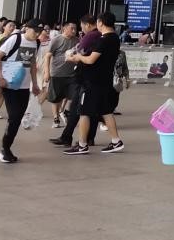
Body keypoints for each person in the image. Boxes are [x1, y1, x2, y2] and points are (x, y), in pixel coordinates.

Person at [62, 11, 124, 155]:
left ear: (101, 22)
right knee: (106, 111)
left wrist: (78, 57)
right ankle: (116, 141)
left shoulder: (104, 40)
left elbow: (90, 60)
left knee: (84, 112)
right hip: (105, 80)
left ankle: (82, 145)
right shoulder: (115, 38)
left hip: (92, 82)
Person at [0, 21, 41, 164]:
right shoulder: (16, 39)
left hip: (24, 86)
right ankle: (5, 148)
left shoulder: (36, 43)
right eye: (35, 31)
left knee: (17, 118)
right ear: (27, 29)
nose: (37, 34)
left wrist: (34, 84)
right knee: (14, 116)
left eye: (39, 32)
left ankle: (7, 147)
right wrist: (0, 76)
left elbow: (32, 64)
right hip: (9, 83)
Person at [51, 15, 97, 147]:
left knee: (82, 109)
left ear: (87, 25)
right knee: (82, 108)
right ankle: (73, 137)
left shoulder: (90, 36)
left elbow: (80, 53)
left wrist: (73, 58)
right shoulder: (100, 37)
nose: (79, 29)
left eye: (81, 26)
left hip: (86, 79)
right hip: (90, 78)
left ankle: (82, 140)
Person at [46, 22, 78, 128]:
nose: (74, 31)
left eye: (75, 28)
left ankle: (64, 111)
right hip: (57, 73)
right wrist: (47, 72)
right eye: (71, 28)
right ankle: (56, 118)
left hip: (72, 74)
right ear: (64, 28)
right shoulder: (57, 40)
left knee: (73, 95)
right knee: (56, 97)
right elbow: (48, 56)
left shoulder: (77, 40)